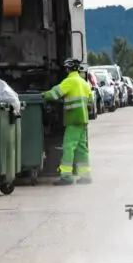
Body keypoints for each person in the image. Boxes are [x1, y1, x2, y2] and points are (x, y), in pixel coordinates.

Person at [43, 58, 93, 186]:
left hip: (73, 119)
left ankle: (66, 176)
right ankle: (85, 175)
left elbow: (55, 94)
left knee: (68, 146)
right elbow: (91, 101)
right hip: (83, 119)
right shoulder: (83, 83)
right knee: (81, 148)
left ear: (67, 69)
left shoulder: (70, 81)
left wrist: (43, 94)